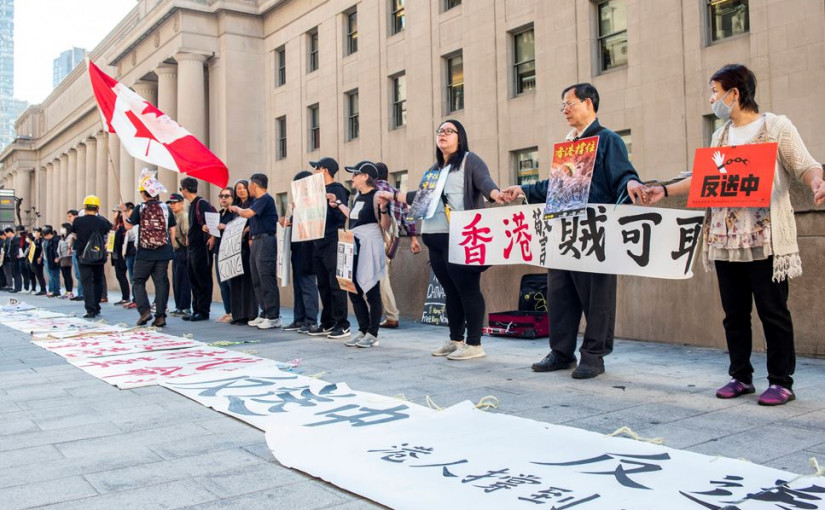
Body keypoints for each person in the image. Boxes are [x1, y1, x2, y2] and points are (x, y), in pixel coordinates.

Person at [644, 64, 825, 405]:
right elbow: (704, 176)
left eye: (715, 92)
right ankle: (740, 376)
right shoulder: (721, 136)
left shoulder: (775, 126)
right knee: (734, 313)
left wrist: (817, 182)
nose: (713, 99)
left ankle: (781, 380)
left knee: (773, 310)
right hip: (725, 240)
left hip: (765, 238)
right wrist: (665, 191)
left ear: (735, 93)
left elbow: (804, 164)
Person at [502, 83, 647, 379]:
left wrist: (632, 183)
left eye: (570, 104)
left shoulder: (608, 140)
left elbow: (624, 175)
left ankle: (593, 356)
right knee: (560, 293)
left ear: (589, 103)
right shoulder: (570, 146)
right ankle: (561, 351)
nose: (565, 110)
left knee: (597, 296)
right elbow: (556, 186)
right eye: (563, 106)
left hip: (595, 231)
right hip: (563, 229)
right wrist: (523, 189)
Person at [379, 120, 505, 360]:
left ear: (460, 136)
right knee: (450, 290)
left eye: (449, 131)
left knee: (468, 289)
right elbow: (419, 198)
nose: (443, 135)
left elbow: (485, 182)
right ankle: (456, 339)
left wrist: (495, 194)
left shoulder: (470, 161)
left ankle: (475, 344)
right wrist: (392, 195)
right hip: (433, 237)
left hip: (460, 236)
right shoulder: (433, 170)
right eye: (440, 131)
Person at [338, 161, 391, 348]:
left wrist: (384, 208)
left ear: (365, 176)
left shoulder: (377, 196)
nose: (352, 178)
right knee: (353, 289)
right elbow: (354, 218)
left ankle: (372, 332)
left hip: (369, 245)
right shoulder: (358, 197)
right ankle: (362, 329)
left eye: (355, 174)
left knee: (372, 291)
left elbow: (386, 224)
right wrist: (338, 204)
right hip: (354, 243)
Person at [229, 173, 281, 330]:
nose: (248, 188)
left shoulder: (265, 199)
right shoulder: (258, 201)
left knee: (266, 278)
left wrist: (237, 208)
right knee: (256, 279)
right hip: (257, 241)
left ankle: (273, 316)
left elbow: (247, 214)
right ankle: (264, 312)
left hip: (266, 241)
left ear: (255, 185)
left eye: (249, 185)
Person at [307, 157, 351, 339]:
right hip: (318, 240)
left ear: (324, 170)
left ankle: (342, 323)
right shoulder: (315, 190)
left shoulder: (338, 189)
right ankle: (328, 322)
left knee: (336, 284)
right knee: (323, 284)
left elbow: (341, 217)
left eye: (316, 168)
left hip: (333, 239)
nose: (314, 172)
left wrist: (334, 203)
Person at [122, 183, 177, 328]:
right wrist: (170, 247)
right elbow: (172, 229)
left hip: (145, 252)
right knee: (161, 283)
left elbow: (128, 226)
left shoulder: (140, 208)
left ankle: (145, 311)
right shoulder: (166, 208)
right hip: (163, 251)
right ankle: (160, 317)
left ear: (144, 194)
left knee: (138, 281)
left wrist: (124, 213)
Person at [374, 162, 421, 329]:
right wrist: (414, 239)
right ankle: (388, 314)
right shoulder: (396, 192)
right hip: (392, 239)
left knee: (381, 277)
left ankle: (391, 314)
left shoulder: (374, 191)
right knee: (382, 275)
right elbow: (408, 216)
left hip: (377, 235)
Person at [281, 171, 319, 333]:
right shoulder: (296, 203)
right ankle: (299, 319)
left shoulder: (315, 201)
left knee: (307, 284)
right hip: (296, 247)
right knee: (297, 284)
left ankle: (311, 320)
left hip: (309, 248)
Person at [179, 177, 215, 322]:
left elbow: (212, 221)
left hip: (202, 248)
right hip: (192, 248)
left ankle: (203, 311)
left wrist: (211, 236)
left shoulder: (202, 203)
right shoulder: (192, 205)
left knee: (203, 280)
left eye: (181, 188)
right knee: (193, 279)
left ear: (185, 190)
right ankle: (196, 310)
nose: (181, 191)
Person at [72, 195, 112, 318]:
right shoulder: (102, 222)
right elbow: (109, 231)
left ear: (85, 207)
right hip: (98, 255)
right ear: (97, 208)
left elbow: (74, 234)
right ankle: (97, 306)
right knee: (98, 280)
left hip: (83, 256)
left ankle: (90, 309)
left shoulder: (78, 221)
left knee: (86, 282)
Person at [227, 180, 258, 325]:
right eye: (237, 189)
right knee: (236, 280)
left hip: (248, 245)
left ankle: (250, 314)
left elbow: (253, 221)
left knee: (248, 280)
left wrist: (245, 230)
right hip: (235, 247)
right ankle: (238, 315)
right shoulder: (234, 207)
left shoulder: (254, 204)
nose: (240, 191)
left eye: (243, 188)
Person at [206, 187, 235, 323]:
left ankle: (234, 312)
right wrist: (209, 231)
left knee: (230, 283)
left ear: (232, 198)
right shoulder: (219, 214)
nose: (223, 198)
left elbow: (238, 228)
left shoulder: (234, 213)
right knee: (222, 283)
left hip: (229, 252)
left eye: (227, 196)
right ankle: (228, 311)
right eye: (221, 196)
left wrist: (225, 227)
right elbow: (215, 231)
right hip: (219, 250)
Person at [166, 193, 192, 317]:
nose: (172, 205)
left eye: (174, 203)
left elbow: (187, 233)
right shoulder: (173, 217)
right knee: (176, 280)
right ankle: (179, 306)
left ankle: (185, 307)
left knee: (183, 280)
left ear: (181, 203)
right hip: (175, 251)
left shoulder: (183, 216)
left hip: (183, 250)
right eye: (170, 203)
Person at [110, 209, 131, 305]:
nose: (114, 214)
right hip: (115, 254)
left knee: (122, 276)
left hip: (121, 254)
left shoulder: (123, 227)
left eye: (115, 212)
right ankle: (124, 297)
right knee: (119, 275)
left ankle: (126, 297)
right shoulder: (116, 226)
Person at [123, 202, 138, 308]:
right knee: (132, 277)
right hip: (129, 252)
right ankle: (135, 298)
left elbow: (128, 227)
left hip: (134, 252)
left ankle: (136, 299)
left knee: (135, 278)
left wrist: (124, 213)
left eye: (127, 211)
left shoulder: (135, 222)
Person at [66, 209, 83, 301]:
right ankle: (80, 292)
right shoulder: (74, 226)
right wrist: (70, 248)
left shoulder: (79, 224)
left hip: (80, 250)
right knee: (77, 273)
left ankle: (82, 293)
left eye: (70, 216)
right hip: (74, 249)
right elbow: (73, 237)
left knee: (80, 273)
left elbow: (76, 236)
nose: (69, 219)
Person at [43, 226, 61, 297]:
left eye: (46, 235)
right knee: (52, 275)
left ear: (50, 234)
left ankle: (56, 290)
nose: (45, 237)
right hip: (50, 259)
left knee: (55, 275)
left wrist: (57, 257)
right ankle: (53, 290)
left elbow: (56, 250)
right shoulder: (49, 240)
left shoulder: (55, 240)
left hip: (54, 260)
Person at [57, 224, 74, 298]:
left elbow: (70, 246)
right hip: (62, 257)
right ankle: (67, 291)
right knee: (64, 275)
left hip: (67, 257)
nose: (62, 229)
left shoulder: (70, 237)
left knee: (67, 274)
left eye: (63, 228)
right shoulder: (62, 237)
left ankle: (70, 291)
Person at [30, 228, 46, 295]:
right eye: (34, 232)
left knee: (40, 275)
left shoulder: (41, 241)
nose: (35, 234)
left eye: (36, 232)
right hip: (33, 259)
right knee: (37, 274)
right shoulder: (34, 240)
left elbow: (42, 250)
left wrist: (40, 257)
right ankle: (41, 289)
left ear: (40, 233)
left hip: (38, 260)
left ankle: (43, 289)